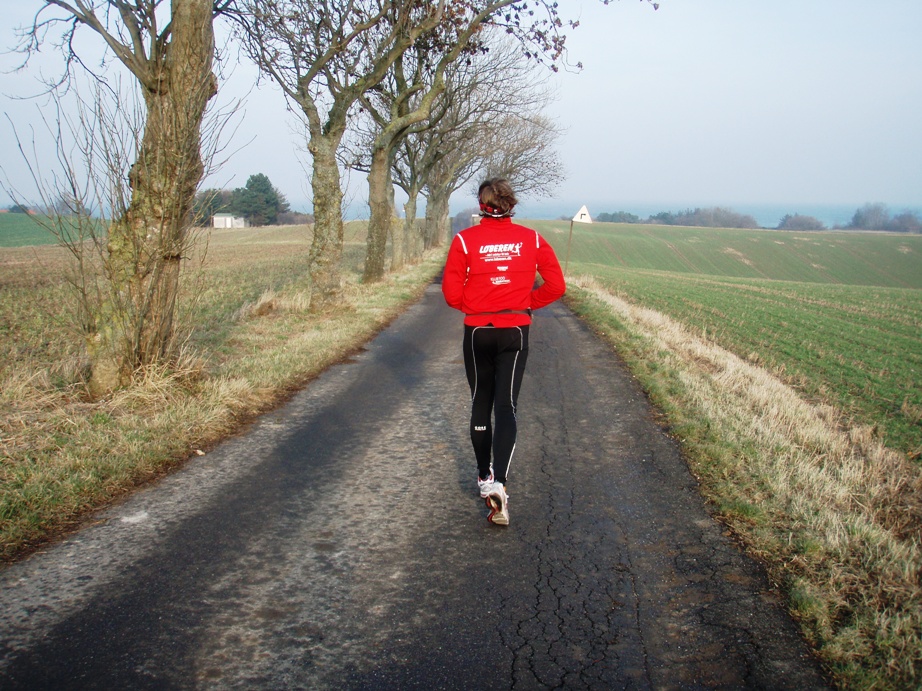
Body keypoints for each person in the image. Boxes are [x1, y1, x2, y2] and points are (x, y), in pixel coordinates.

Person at [442, 179, 566, 525]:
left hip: (477, 331)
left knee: (481, 401)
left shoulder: (464, 240)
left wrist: (478, 305)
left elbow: (452, 295)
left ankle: (484, 477)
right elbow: (557, 286)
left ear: (481, 206)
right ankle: (501, 485)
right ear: (511, 206)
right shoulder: (533, 240)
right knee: (506, 406)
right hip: (514, 330)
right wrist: (526, 303)